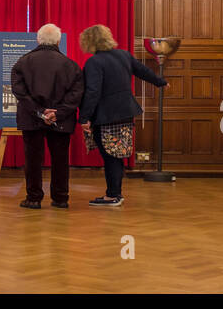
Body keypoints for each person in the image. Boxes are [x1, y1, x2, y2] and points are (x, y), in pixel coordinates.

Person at [78, 24, 167, 208]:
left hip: (106, 116)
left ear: (89, 41)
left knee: (110, 156)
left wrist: (84, 117)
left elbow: (93, 92)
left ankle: (113, 196)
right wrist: (160, 82)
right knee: (116, 155)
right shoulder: (124, 55)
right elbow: (143, 71)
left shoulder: (94, 62)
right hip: (126, 113)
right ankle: (115, 194)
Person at [11, 23, 83, 209]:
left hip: (31, 118)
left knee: (33, 159)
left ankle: (33, 198)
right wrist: (58, 113)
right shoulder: (70, 65)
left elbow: (19, 92)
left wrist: (39, 112)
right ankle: (60, 198)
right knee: (60, 159)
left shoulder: (23, 62)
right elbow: (76, 94)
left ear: (38, 39)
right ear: (58, 40)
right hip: (61, 120)